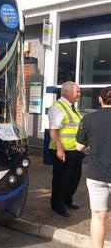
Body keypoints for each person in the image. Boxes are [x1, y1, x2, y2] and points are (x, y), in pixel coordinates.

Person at [76, 86, 111, 248]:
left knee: (98, 216)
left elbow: (79, 146)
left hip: (97, 175)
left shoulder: (88, 119)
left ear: (100, 99)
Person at [48, 81, 83, 217]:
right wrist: (59, 149)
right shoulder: (58, 107)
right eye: (77, 91)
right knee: (61, 178)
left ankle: (67, 200)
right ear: (66, 92)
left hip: (75, 149)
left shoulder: (73, 107)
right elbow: (53, 130)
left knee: (75, 176)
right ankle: (57, 204)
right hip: (62, 150)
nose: (79, 94)